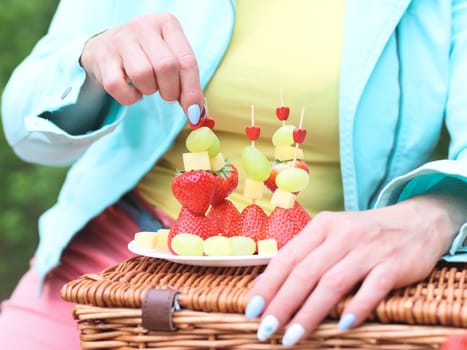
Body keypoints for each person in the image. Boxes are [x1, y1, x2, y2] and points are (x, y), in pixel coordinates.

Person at [1, 0, 467, 348]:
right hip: (124, 257)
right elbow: (24, 126)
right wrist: (93, 62)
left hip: (338, 279)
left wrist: (437, 211)